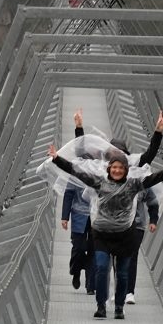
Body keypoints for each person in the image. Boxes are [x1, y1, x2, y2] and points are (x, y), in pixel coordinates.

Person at [47, 143, 163, 320]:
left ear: (126, 170)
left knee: (122, 272)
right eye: (114, 167)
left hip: (125, 235)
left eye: (121, 168)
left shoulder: (133, 184)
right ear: (109, 168)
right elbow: (76, 171)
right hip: (102, 233)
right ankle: (101, 305)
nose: (117, 170)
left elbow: (154, 179)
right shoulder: (99, 182)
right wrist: (57, 159)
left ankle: (119, 306)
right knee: (102, 268)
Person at [61, 109, 93, 293]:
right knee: (79, 248)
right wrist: (65, 216)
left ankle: (91, 284)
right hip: (80, 214)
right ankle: (75, 272)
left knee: (95, 250)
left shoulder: (102, 169)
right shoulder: (77, 169)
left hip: (97, 215)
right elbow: (68, 193)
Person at [125, 187, 159, 305]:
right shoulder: (115, 180)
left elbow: (153, 202)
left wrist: (153, 221)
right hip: (118, 225)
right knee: (119, 257)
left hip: (137, 226)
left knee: (132, 256)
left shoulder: (142, 184)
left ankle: (129, 292)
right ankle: (120, 289)